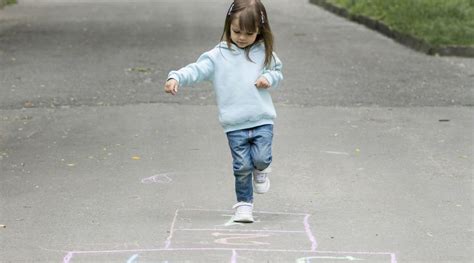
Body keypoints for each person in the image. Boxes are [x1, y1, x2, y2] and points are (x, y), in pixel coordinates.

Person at [164, 0, 283, 223]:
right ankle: (244, 205)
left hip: (262, 119)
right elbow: (197, 70)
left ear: (260, 31)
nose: (241, 37)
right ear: (228, 25)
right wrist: (176, 76)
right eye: (236, 31)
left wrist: (268, 78)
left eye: (249, 33)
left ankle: (262, 169)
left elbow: (277, 72)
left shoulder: (263, 52)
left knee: (261, 158)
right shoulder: (218, 55)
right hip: (235, 124)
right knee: (241, 166)